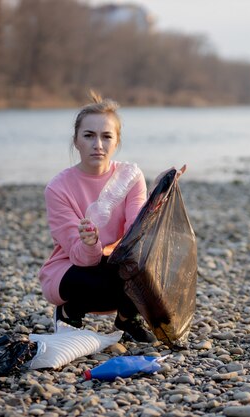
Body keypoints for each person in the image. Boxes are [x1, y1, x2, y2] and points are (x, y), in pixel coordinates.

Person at [38, 94, 183, 342]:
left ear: (116, 142)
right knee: (101, 280)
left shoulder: (129, 176)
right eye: (89, 136)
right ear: (76, 141)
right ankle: (69, 312)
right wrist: (90, 241)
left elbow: (136, 236)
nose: (98, 144)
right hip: (72, 269)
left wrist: (158, 194)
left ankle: (127, 319)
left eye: (106, 136)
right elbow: (81, 257)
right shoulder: (58, 188)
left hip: (116, 262)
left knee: (152, 276)